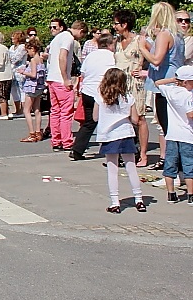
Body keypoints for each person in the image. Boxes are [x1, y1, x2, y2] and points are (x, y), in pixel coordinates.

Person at [139, 1, 185, 171]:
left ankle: (174, 170)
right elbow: (162, 53)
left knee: (168, 129)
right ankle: (177, 169)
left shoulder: (165, 34)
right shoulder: (176, 34)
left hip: (164, 85)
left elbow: (157, 59)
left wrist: (142, 47)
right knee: (173, 127)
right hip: (173, 82)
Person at [95, 68, 145, 213]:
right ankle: (139, 199)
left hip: (109, 136)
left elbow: (95, 117)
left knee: (112, 169)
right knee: (131, 168)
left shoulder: (101, 97)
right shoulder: (128, 97)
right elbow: (135, 119)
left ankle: (115, 202)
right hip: (126, 133)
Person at [113, 9, 150, 166]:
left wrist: (145, 72)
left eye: (116, 23)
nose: (114, 26)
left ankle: (143, 154)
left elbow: (156, 57)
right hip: (120, 84)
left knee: (139, 118)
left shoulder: (140, 40)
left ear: (124, 24)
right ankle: (127, 152)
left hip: (135, 83)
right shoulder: (117, 41)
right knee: (124, 118)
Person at [71, 33, 117, 160]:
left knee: (89, 122)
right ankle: (112, 149)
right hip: (102, 92)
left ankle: (77, 149)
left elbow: (83, 73)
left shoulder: (91, 56)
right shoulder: (111, 57)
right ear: (109, 45)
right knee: (109, 121)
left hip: (88, 91)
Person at [152, 65, 193, 204]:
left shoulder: (171, 91)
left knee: (170, 165)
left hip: (172, 135)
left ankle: (171, 194)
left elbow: (157, 83)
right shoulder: (189, 96)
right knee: (189, 165)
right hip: (187, 135)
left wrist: (172, 79)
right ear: (186, 82)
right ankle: (191, 195)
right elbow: (190, 114)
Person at [46, 19, 82, 151]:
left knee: (55, 110)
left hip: (52, 78)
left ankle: (56, 140)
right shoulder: (68, 37)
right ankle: (66, 140)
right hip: (61, 79)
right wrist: (66, 78)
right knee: (66, 111)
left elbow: (50, 58)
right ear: (80, 31)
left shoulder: (56, 38)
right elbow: (63, 56)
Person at [17, 38, 47, 142]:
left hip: (31, 87)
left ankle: (32, 133)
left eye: (28, 50)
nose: (28, 52)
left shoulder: (34, 60)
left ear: (33, 49)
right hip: (39, 87)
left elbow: (33, 74)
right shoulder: (41, 59)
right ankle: (38, 132)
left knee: (26, 110)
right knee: (37, 110)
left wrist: (23, 72)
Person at [9, 30, 28, 117]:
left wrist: (10, 58)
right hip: (12, 72)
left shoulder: (22, 47)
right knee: (14, 91)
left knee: (22, 90)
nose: (12, 38)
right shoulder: (12, 47)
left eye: (14, 36)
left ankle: (24, 110)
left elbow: (15, 59)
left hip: (20, 71)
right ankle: (18, 110)